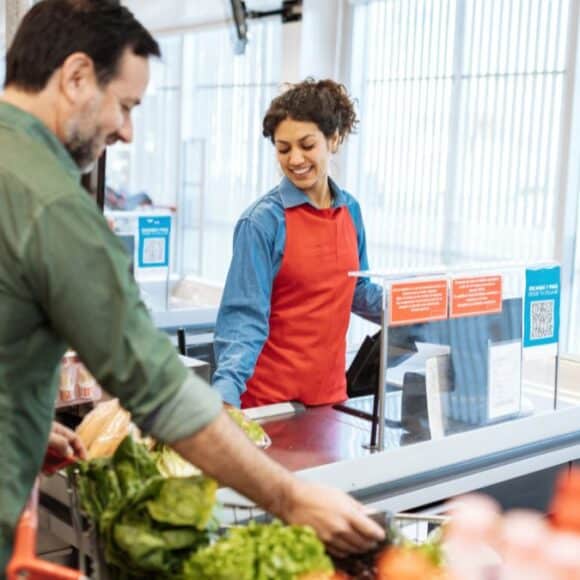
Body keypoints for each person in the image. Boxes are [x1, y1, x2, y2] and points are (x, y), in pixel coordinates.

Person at [0, 1, 384, 572]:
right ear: (77, 76)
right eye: (125, 105)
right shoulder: (55, 204)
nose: (126, 131)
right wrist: (289, 497)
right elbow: (156, 385)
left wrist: (19, 417)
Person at [213, 79, 383, 408]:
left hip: (330, 403)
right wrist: (224, 398)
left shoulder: (351, 211)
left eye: (307, 145)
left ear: (333, 140)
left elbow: (358, 292)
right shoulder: (262, 222)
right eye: (283, 148)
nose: (295, 159)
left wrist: (423, 308)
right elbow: (243, 320)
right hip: (269, 407)